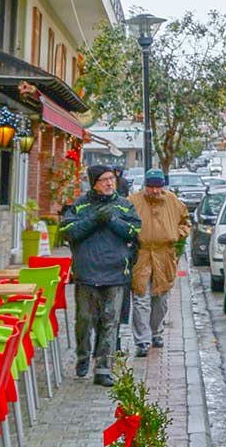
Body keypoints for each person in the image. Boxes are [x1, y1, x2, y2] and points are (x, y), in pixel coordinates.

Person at [60, 164, 139, 385]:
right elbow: (68, 232)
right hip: (87, 272)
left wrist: (113, 221)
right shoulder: (80, 205)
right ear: (94, 182)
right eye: (104, 179)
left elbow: (135, 231)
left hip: (115, 272)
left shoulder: (124, 206)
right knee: (85, 319)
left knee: (110, 321)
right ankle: (83, 356)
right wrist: (94, 220)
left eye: (111, 179)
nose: (109, 183)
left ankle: (104, 368)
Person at [130, 169, 192, 357]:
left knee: (161, 299)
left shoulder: (172, 201)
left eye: (158, 186)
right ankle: (142, 340)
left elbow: (186, 221)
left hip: (164, 255)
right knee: (141, 298)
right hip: (141, 255)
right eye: (151, 186)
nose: (155, 190)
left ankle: (156, 332)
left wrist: (178, 233)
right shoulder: (132, 201)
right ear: (145, 186)